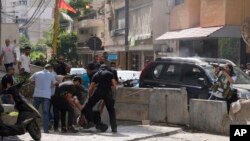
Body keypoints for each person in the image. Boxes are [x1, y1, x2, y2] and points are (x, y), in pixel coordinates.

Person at [82, 64, 117, 132]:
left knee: (88, 107)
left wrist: (90, 97)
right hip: (108, 92)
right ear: (106, 68)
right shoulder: (110, 73)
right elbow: (114, 85)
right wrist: (112, 95)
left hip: (98, 92)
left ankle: (91, 120)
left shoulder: (96, 74)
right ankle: (114, 128)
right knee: (111, 110)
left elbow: (91, 88)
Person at [29, 64, 57, 133]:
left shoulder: (37, 73)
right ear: (50, 68)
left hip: (37, 94)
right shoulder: (51, 75)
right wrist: (50, 86)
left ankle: (31, 128)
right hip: (46, 95)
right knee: (46, 113)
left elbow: (29, 80)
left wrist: (35, 84)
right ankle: (46, 129)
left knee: (34, 112)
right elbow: (55, 83)